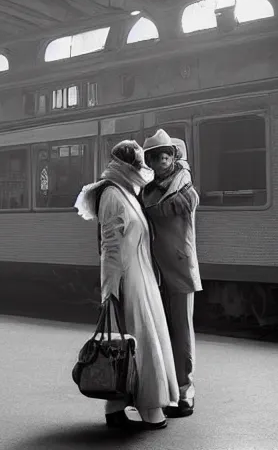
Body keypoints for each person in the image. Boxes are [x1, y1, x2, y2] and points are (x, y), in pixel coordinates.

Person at [75, 140, 179, 430]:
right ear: (125, 166)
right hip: (128, 280)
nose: (140, 170)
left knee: (132, 344)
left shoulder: (124, 191)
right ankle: (148, 407)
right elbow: (109, 247)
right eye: (136, 165)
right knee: (139, 343)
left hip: (140, 277)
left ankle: (116, 409)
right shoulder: (111, 194)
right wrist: (109, 291)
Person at [141, 129, 202, 418]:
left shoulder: (185, 186)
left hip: (178, 267)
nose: (162, 158)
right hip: (157, 269)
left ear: (173, 156)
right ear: (149, 161)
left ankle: (186, 391)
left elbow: (163, 210)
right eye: (156, 155)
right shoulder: (149, 188)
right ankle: (171, 390)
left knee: (182, 332)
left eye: (167, 153)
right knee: (164, 332)